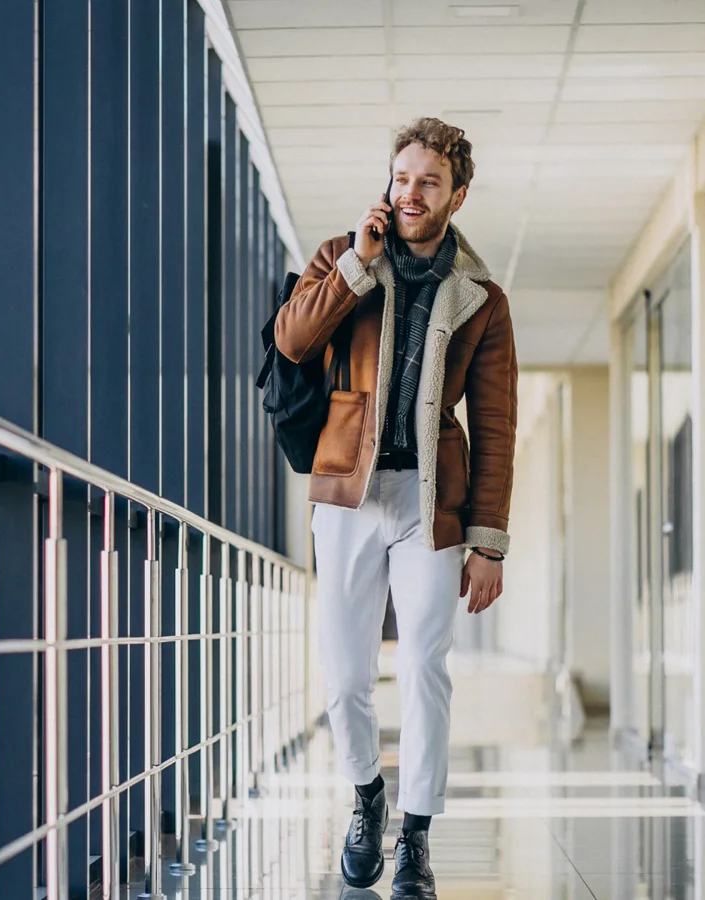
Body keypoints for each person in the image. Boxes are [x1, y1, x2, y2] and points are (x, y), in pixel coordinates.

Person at [272, 117, 518, 898]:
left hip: (430, 501)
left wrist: (488, 540)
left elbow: (497, 423)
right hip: (346, 490)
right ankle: (365, 798)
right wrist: (355, 266)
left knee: (423, 666)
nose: (410, 193)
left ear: (458, 195)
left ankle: (414, 833)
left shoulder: (482, 297)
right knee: (344, 674)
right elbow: (292, 341)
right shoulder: (342, 256)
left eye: (429, 182)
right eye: (401, 177)